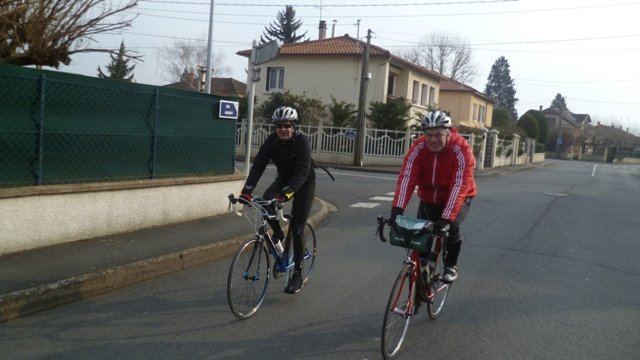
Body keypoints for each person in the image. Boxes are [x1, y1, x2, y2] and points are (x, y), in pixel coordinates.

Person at [389, 110, 477, 283]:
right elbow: (407, 178)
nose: (433, 139)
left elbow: (459, 186)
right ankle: (418, 290)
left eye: (438, 134)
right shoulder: (419, 148)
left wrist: (446, 219)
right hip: (429, 198)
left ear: (448, 132)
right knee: (420, 239)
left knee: (451, 229)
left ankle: (451, 265)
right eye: (429, 135)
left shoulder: (461, 149)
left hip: (459, 198)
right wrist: (396, 210)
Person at [239, 106, 316, 294]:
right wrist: (246, 191)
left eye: (287, 125)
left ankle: (297, 274)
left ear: (294, 126)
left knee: (297, 230)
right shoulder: (272, 141)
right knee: (266, 203)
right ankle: (279, 236)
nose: (283, 129)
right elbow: (258, 166)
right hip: (282, 181)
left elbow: (302, 171)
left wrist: (286, 194)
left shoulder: (302, 142)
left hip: (304, 184)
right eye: (279, 126)